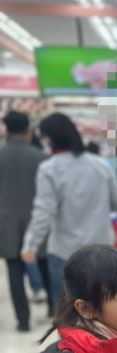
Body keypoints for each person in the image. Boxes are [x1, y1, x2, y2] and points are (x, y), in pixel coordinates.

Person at [21, 112, 117, 308]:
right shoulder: (100, 165)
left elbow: (44, 211)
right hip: (102, 249)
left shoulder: (49, 169)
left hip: (65, 251)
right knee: (102, 307)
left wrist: (31, 245)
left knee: (68, 311)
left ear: (50, 139)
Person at [0, 110, 52, 330]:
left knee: (14, 270)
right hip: (37, 220)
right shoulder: (41, 158)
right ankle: (53, 308)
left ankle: (23, 320)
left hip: (7, 222)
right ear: (27, 129)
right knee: (45, 264)